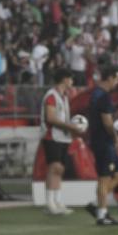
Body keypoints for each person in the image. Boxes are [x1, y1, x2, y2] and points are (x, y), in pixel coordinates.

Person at [84, 67, 118, 226]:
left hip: (101, 139)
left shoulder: (96, 94)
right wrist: (115, 136)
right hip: (103, 141)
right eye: (117, 78)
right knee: (104, 177)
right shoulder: (104, 97)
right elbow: (107, 122)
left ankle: (97, 205)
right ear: (110, 77)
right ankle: (102, 215)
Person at [40, 68, 81, 215]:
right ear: (64, 79)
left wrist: (71, 129)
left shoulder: (63, 96)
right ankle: (50, 202)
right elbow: (50, 118)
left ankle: (57, 201)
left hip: (63, 137)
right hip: (52, 136)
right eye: (70, 78)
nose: (72, 81)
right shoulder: (51, 96)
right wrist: (70, 126)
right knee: (54, 167)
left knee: (60, 169)